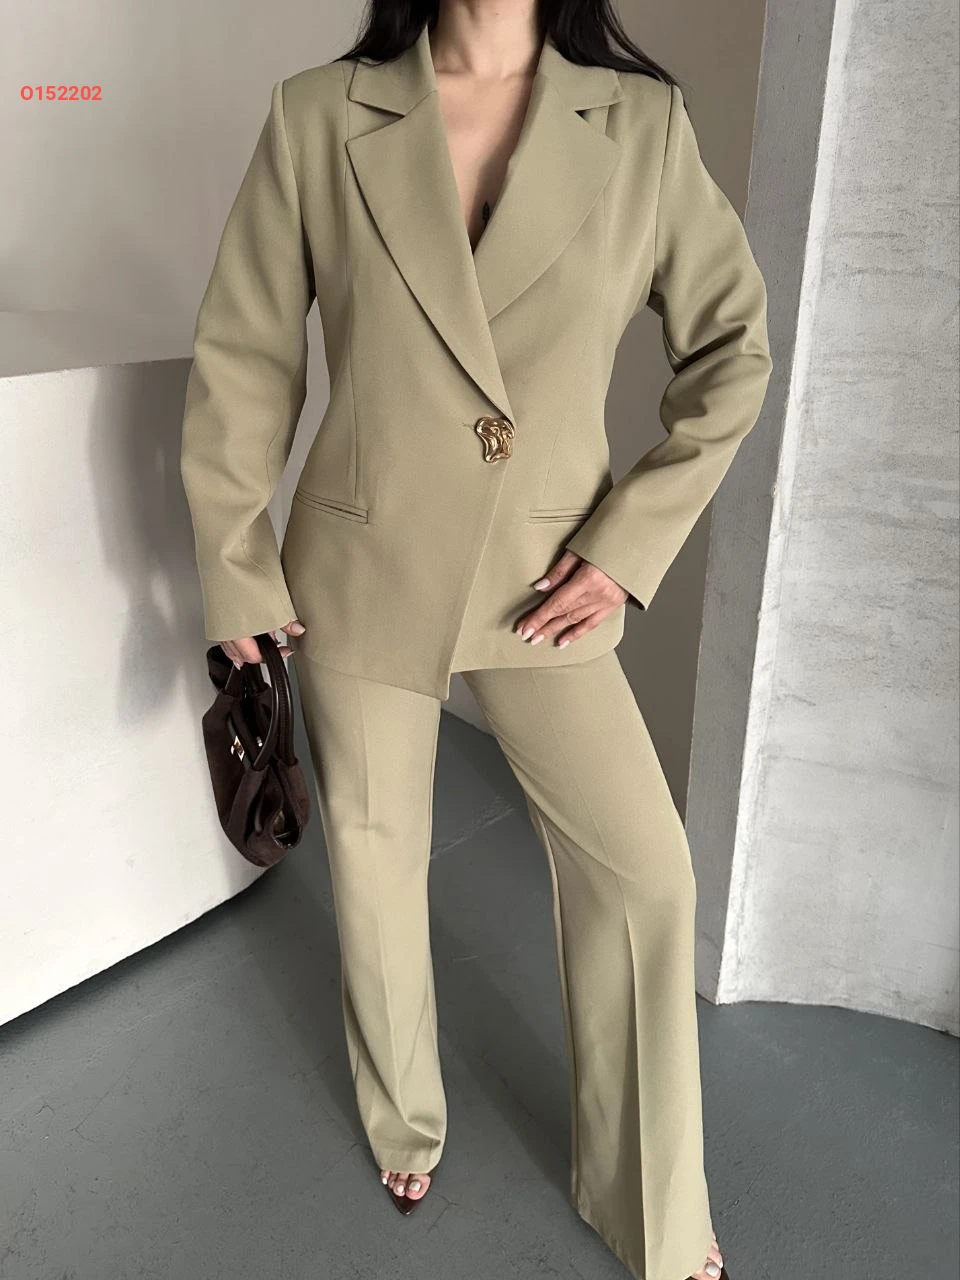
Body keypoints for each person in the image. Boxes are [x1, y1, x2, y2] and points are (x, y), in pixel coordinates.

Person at [179, 2, 772, 1277]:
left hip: (544, 576)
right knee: (377, 852)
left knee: (644, 872)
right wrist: (235, 567)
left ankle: (653, 1201)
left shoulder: (642, 123)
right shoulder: (319, 115)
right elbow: (244, 358)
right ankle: (405, 1113)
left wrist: (628, 544)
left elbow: (733, 347)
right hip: (361, 562)